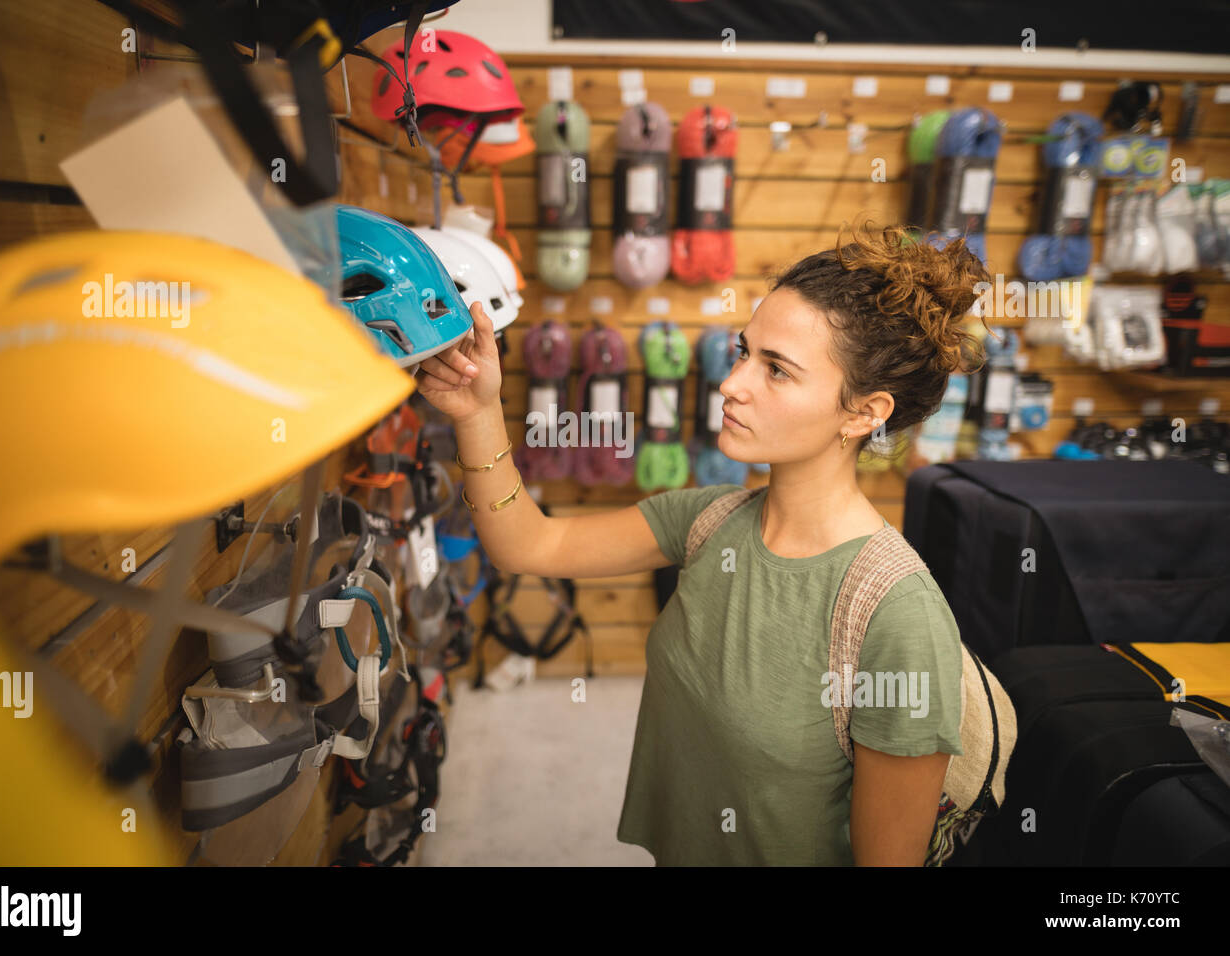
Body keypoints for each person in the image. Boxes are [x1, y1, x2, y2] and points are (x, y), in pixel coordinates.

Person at [414, 221, 991, 865]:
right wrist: (476, 411)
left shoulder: (898, 615)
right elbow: (531, 546)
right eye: (745, 352)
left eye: (776, 370)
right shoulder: (709, 522)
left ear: (864, 413)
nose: (732, 383)